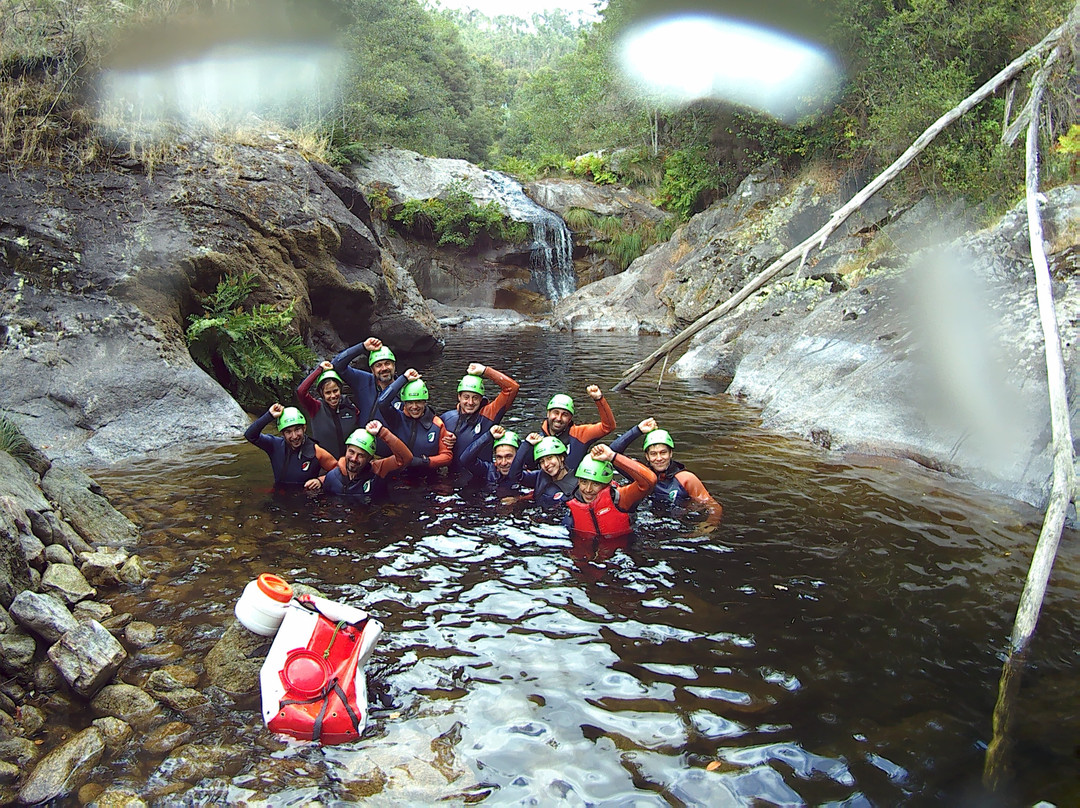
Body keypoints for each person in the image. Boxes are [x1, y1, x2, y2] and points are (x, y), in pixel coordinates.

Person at [610, 418, 723, 527]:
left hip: (676, 525)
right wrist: (637, 430)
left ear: (670, 454)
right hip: (646, 523)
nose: (659, 458)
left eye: (663, 452)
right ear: (647, 456)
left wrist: (708, 525)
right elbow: (611, 453)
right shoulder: (640, 474)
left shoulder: (685, 479)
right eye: (653, 454)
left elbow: (713, 506)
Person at [562, 444, 657, 543]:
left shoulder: (620, 498)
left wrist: (613, 457)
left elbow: (650, 480)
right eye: (584, 482)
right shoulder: (572, 504)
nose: (588, 489)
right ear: (578, 481)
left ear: (606, 484)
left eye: (595, 483)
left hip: (622, 551)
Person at [440, 362, 520, 469]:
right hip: (453, 477)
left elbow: (512, 388)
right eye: (466, 397)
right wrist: (443, 438)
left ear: (481, 399)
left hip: (483, 476)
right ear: (459, 397)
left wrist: (485, 371)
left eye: (475, 398)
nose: (470, 402)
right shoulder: (447, 418)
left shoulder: (489, 414)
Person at [377, 369, 454, 474]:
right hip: (399, 476)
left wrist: (425, 461)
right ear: (404, 402)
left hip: (427, 477)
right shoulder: (396, 418)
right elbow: (382, 402)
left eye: (418, 402)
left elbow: (447, 456)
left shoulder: (436, 423)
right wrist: (403, 379)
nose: (414, 407)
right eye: (410, 402)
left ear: (424, 401)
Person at [244, 404, 337, 489]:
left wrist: (321, 480)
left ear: (304, 428)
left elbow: (339, 471)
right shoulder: (274, 445)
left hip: (306, 500)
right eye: (288, 432)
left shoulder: (316, 451)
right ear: (282, 433)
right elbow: (250, 435)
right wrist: (269, 415)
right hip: (280, 497)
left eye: (297, 430)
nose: (294, 436)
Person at [320, 420, 412, 502]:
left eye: (361, 455)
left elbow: (406, 458)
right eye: (351, 452)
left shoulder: (378, 470)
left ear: (369, 458)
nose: (354, 459)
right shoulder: (332, 477)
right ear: (346, 449)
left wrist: (383, 433)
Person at [535, 385, 616, 471]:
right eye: (556, 413)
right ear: (548, 414)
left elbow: (608, 426)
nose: (558, 418)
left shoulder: (580, 434)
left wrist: (599, 399)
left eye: (565, 415)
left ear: (570, 419)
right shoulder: (536, 440)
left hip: (575, 482)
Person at [296, 360, 361, 458]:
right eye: (328, 393)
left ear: (340, 389)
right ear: (322, 394)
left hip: (350, 463)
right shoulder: (315, 407)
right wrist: (319, 369)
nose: (333, 396)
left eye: (335, 391)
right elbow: (301, 391)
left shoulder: (350, 407)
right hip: (324, 464)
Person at [331, 337, 398, 423]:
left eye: (387, 363)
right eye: (378, 365)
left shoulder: (403, 389)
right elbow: (337, 365)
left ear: (394, 365)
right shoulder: (363, 381)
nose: (384, 368)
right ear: (372, 370)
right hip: (363, 435)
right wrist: (362, 347)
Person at [506, 433, 579, 509]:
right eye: (542, 461)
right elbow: (514, 476)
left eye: (550, 458)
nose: (546, 464)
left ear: (561, 457)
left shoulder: (576, 485)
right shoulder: (540, 476)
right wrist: (526, 444)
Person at [459, 424, 522, 490]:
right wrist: (489, 435)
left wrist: (519, 499)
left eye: (508, 457)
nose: (503, 463)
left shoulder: (527, 475)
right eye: (499, 457)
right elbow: (465, 459)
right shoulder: (489, 471)